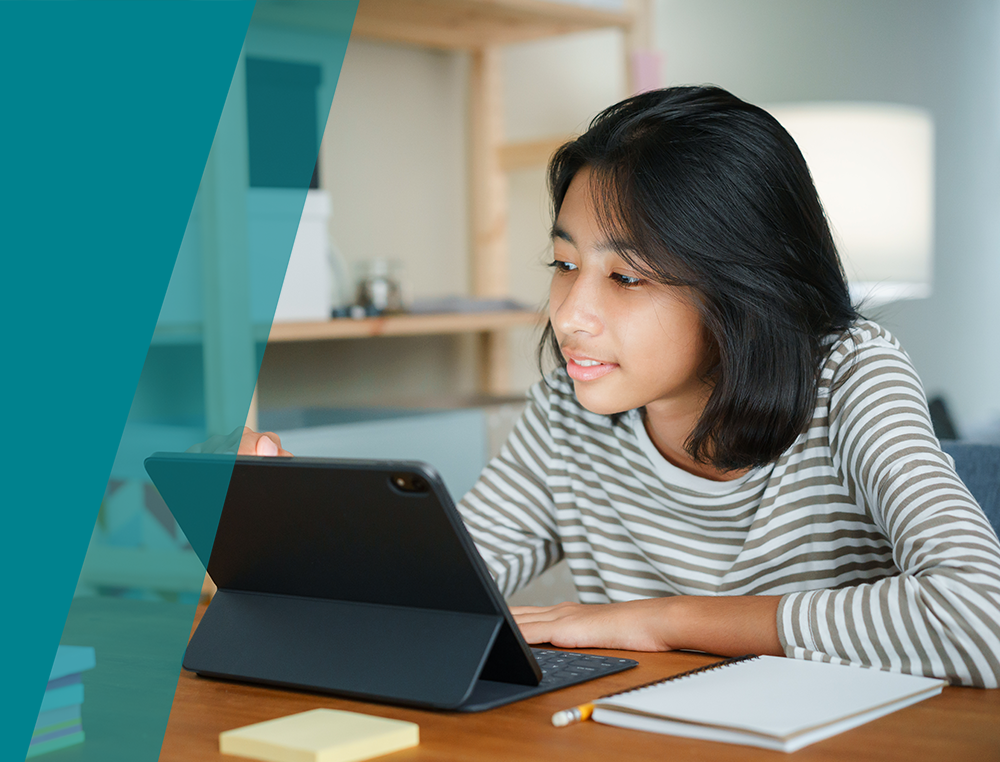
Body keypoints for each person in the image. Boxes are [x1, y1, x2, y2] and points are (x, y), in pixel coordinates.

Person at [242, 86, 1000, 687]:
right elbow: (440, 593)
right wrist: (280, 537)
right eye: (564, 265)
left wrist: (662, 620)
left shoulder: (853, 376)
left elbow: (981, 619)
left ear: (745, 288)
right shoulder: (567, 415)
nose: (570, 316)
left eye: (626, 277)